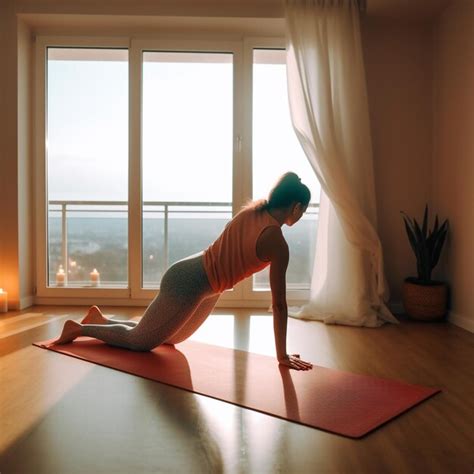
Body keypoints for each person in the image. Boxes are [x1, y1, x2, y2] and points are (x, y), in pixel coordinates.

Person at [53, 172, 313, 371]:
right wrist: (282, 356)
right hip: (191, 282)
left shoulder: (253, 211)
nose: (301, 215)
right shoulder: (277, 242)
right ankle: (78, 329)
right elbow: (278, 305)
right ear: (296, 207)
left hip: (207, 286)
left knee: (170, 338)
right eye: (303, 210)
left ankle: (99, 319)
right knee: (140, 342)